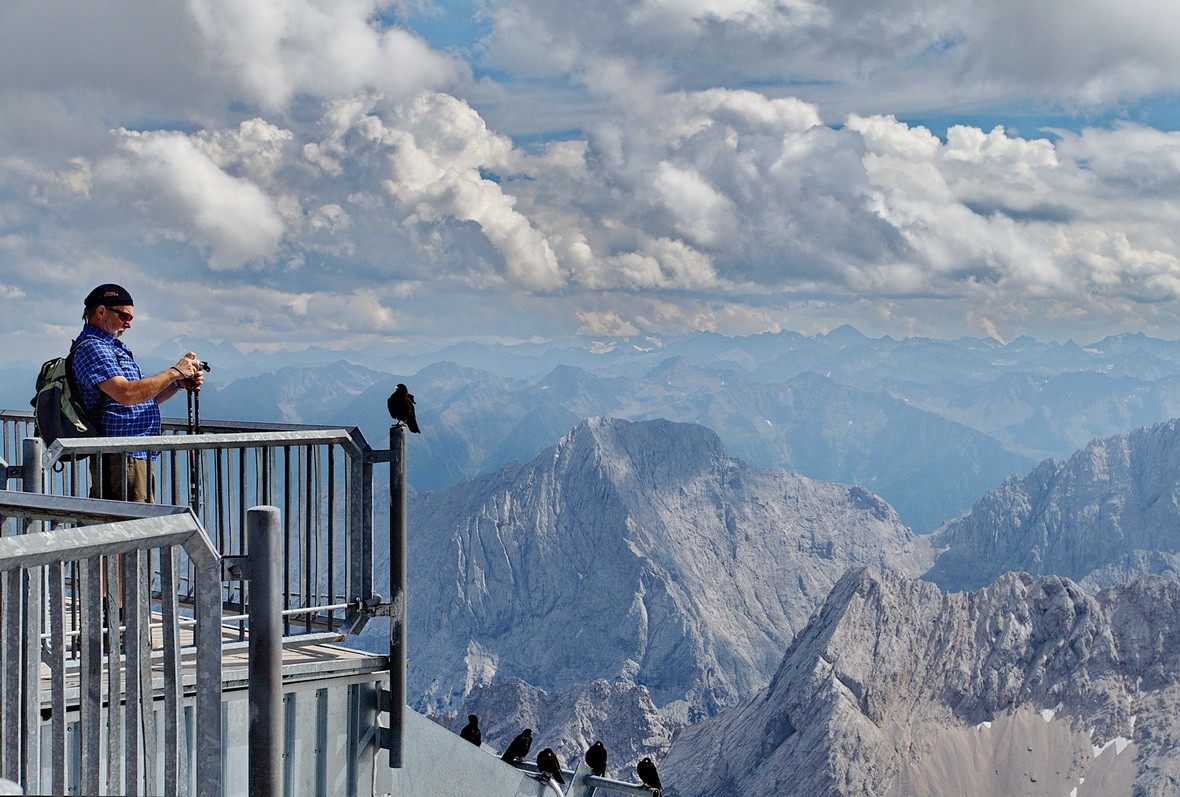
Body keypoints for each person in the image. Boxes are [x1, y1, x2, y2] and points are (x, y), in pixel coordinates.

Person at [70, 283, 205, 502]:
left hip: (130, 453)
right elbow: (128, 394)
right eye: (124, 316)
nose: (128, 324)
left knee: (134, 522)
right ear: (101, 311)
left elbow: (140, 399)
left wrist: (177, 384)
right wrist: (174, 372)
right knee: (133, 526)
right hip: (121, 454)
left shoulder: (111, 348)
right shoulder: (93, 348)